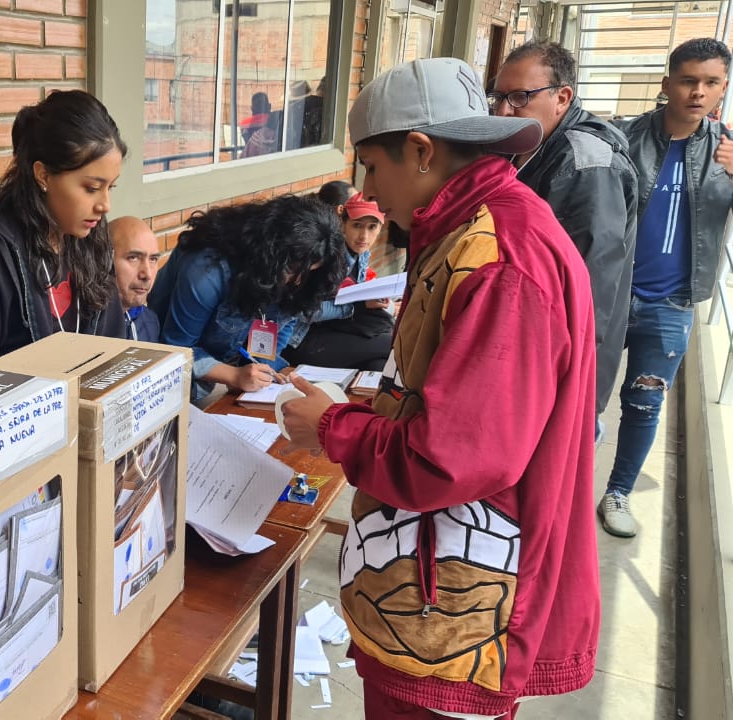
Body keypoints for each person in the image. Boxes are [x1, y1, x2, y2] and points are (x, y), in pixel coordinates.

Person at [280, 57, 599, 718]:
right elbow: (457, 400)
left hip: (456, 603)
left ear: (421, 151)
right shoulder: (470, 228)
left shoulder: (498, 254)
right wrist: (367, 409)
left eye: (371, 165)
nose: (367, 188)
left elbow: (454, 455)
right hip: (433, 586)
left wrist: (334, 428)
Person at [601, 37, 733, 537]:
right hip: (609, 296)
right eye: (688, 80)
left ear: (722, 88)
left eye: (711, 82)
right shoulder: (624, 137)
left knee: (643, 403)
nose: (698, 92)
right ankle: (561, 485)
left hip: (670, 306)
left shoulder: (727, 152)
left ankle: (618, 492)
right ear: (667, 85)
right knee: (580, 395)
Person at [491, 40, 638, 440]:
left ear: (562, 97)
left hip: (560, 374)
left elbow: (588, 292)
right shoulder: (529, 148)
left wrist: (565, 389)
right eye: (499, 97)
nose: (505, 110)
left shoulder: (584, 165)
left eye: (520, 97)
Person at [0, 90, 127, 359]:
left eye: (111, 187)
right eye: (91, 188)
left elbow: (113, 345)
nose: (105, 205)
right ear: (43, 175)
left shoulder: (91, 239)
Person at [148, 195, 345, 403]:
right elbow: (177, 350)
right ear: (269, 253)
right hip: (169, 383)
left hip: (222, 373)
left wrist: (261, 370)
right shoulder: (207, 272)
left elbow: (286, 317)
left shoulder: (297, 278)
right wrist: (234, 375)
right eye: (292, 270)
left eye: (310, 271)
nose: (297, 282)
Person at [283, 194, 394, 371]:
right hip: (301, 338)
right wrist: (359, 305)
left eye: (372, 227)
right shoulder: (325, 256)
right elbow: (305, 311)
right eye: (357, 225)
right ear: (343, 223)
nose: (364, 236)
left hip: (334, 330)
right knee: (393, 345)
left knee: (379, 365)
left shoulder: (361, 253)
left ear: (381, 227)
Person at [109, 216, 162, 342]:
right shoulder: (80, 329)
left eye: (153, 259)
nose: (147, 274)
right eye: (133, 258)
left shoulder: (150, 322)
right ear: (104, 260)